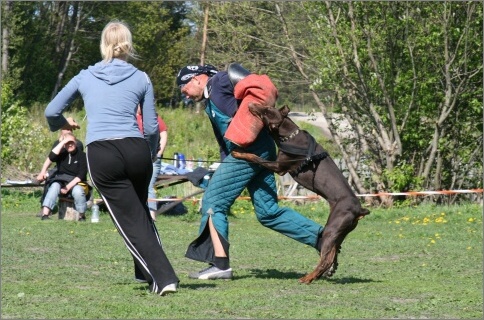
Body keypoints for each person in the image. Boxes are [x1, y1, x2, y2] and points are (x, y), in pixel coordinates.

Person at [44, 20, 179, 296]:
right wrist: (150, 152)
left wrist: (62, 123)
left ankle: (164, 278)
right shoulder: (142, 77)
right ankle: (145, 273)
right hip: (136, 149)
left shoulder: (84, 76)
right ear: (128, 45)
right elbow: (152, 128)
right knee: (139, 212)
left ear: (103, 44)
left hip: (103, 152)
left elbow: (51, 111)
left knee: (129, 219)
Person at [175, 64, 327, 280]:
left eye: (184, 87)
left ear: (198, 78)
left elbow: (244, 77)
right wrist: (221, 165)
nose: (184, 94)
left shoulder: (218, 81)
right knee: (268, 212)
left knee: (212, 202)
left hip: (249, 151)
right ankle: (324, 239)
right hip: (259, 151)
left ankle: (219, 265)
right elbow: (225, 139)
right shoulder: (210, 101)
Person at [38, 132, 88, 221]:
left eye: (71, 142)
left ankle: (81, 215)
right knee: (54, 186)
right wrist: (62, 142)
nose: (69, 145)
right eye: (67, 143)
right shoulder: (61, 154)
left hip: (76, 182)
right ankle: (45, 214)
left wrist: (67, 187)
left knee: (78, 191)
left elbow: (81, 175)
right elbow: (51, 157)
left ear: (75, 142)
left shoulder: (82, 156)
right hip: (61, 180)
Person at [136, 105, 168, 221]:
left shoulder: (153, 117)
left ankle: (151, 215)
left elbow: (163, 134)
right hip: (136, 158)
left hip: (153, 158)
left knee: (148, 185)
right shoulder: (130, 118)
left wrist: (159, 153)